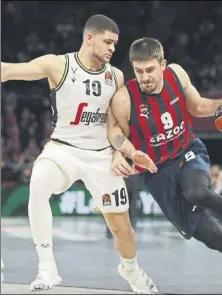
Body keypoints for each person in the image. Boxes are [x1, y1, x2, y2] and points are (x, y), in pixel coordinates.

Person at [107, 37, 222, 294]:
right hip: (157, 172)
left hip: (187, 152)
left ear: (163, 65)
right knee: (213, 237)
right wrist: (130, 151)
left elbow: (199, 106)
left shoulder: (177, 75)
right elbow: (114, 133)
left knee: (197, 192)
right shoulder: (125, 99)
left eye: (150, 70)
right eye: (138, 71)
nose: (144, 77)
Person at [1, 16, 158, 294]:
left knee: (122, 229)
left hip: (101, 156)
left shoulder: (116, 77)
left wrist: (123, 152)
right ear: (89, 38)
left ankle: (131, 270)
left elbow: (116, 127)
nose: (112, 49)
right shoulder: (59, 65)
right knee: (38, 183)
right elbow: (11, 71)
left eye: (115, 44)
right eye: (108, 42)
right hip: (63, 149)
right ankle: (47, 266)